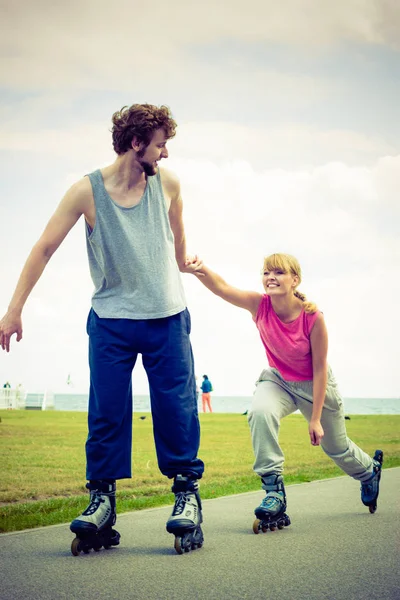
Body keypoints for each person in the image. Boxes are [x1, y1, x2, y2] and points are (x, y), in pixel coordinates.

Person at [0, 104, 204, 554]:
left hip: (167, 318)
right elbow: (43, 248)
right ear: (137, 144)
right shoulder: (85, 192)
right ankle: (102, 502)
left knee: (177, 408)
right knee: (107, 412)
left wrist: (183, 264)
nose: (165, 153)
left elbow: (178, 235)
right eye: (160, 144)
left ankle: (187, 496)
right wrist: (14, 310)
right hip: (111, 322)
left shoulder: (168, 184)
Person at [189, 252, 383, 528]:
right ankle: (273, 490)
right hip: (278, 379)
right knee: (259, 412)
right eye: (267, 272)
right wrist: (200, 268)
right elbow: (222, 288)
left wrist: (314, 419)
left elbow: (319, 370)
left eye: (278, 272)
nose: (271, 277)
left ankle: (369, 472)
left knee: (335, 448)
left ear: (295, 280)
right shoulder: (259, 305)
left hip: (314, 385)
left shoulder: (313, 317)